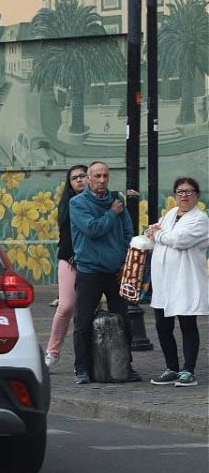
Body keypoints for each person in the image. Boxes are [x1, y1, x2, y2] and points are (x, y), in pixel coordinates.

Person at [69, 161, 140, 384]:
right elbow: (92, 229)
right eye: (97, 176)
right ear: (89, 179)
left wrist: (125, 263)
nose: (102, 180)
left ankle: (124, 366)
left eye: (105, 176)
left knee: (124, 320)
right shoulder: (77, 203)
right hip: (89, 270)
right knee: (83, 322)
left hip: (115, 271)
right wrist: (112, 213)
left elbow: (128, 232)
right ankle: (82, 368)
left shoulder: (117, 201)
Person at [145, 177, 208, 388]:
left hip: (185, 280)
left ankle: (188, 371)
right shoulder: (170, 214)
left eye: (189, 192)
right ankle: (171, 367)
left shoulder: (200, 219)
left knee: (187, 325)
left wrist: (159, 233)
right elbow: (155, 234)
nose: (184, 195)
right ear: (175, 195)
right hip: (164, 282)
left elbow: (179, 240)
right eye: (180, 192)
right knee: (163, 325)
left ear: (197, 195)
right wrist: (155, 233)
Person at [43, 164, 88, 368]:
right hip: (69, 258)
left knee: (89, 310)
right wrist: (72, 255)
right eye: (75, 178)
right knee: (66, 306)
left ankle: (91, 355)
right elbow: (66, 235)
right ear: (69, 183)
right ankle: (52, 352)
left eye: (83, 176)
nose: (79, 180)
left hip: (92, 261)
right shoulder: (68, 203)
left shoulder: (97, 201)